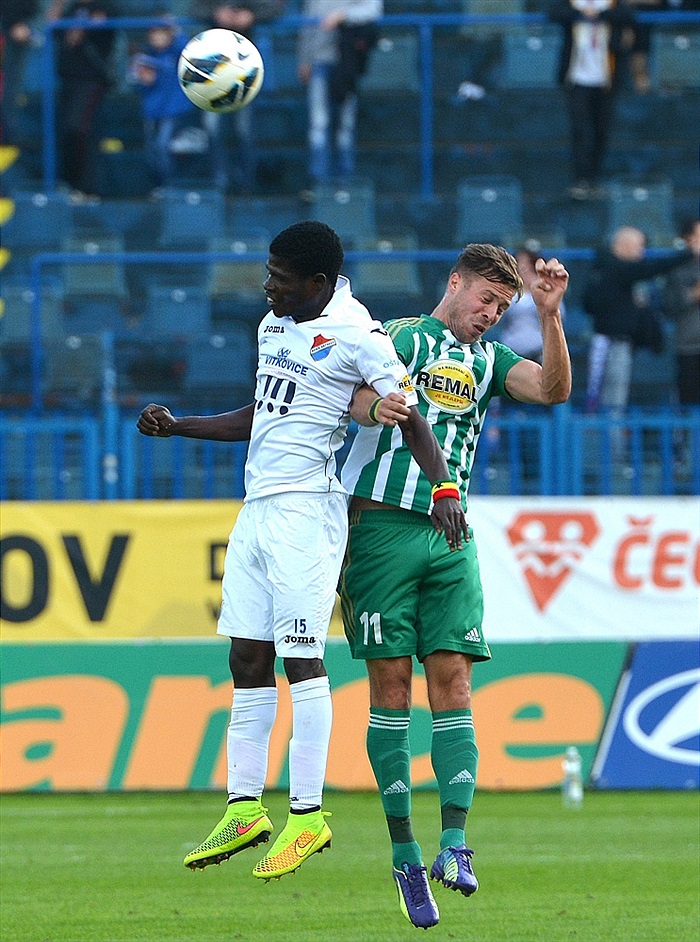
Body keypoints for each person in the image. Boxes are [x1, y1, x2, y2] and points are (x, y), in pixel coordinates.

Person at [136, 221, 466, 883]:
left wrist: (443, 487)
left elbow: (410, 414)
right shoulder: (273, 325)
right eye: (269, 274)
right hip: (258, 508)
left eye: (280, 278)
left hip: (307, 513)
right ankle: (243, 807)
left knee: (301, 658)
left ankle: (308, 815)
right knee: (246, 656)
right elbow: (263, 413)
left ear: (318, 282)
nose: (267, 286)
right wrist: (179, 427)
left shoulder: (359, 333)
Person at [338, 243, 572, 930]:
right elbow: (346, 394)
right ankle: (405, 856)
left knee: (456, 683)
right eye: (485, 299)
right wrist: (372, 408)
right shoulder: (402, 339)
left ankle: (455, 842)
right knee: (390, 688)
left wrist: (550, 317)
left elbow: (552, 390)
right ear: (455, 283)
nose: (491, 314)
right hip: (381, 528)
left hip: (451, 533)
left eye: (502, 306)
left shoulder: (489, 361)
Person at [584, 225, 693, 414]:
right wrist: (688, 254)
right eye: (639, 246)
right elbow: (651, 268)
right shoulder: (614, 268)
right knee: (610, 398)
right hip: (611, 342)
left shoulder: (608, 269)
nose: (642, 252)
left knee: (614, 395)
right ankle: (609, 433)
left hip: (621, 342)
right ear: (624, 245)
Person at [190, 1, 283, 193]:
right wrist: (216, 12)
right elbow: (194, 8)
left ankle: (246, 182)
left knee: (244, 129)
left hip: (243, 66)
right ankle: (219, 180)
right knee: (212, 127)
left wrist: (250, 15)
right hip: (212, 65)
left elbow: (274, 8)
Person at [549, 0, 635, 199]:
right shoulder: (573, 3)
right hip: (576, 78)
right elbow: (554, 13)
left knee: (601, 131)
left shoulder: (611, 4)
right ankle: (580, 180)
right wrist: (580, 12)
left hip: (606, 79)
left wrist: (600, 14)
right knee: (579, 130)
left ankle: (594, 179)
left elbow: (628, 15)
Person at [298, 0, 382, 187]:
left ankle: (345, 182)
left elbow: (373, 9)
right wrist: (304, 60)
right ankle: (318, 182)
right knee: (318, 124)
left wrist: (344, 15)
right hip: (320, 61)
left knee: (345, 126)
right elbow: (307, 26)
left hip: (347, 61)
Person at [53, 0, 116, 200]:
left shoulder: (105, 7)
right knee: (66, 131)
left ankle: (89, 189)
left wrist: (86, 26)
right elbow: (52, 27)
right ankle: (71, 185)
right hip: (67, 81)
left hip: (90, 82)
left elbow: (104, 27)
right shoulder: (71, 8)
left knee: (81, 130)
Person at [130, 16, 195, 191]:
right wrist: (144, 81)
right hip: (151, 111)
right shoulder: (144, 58)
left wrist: (176, 30)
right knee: (151, 151)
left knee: (163, 146)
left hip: (173, 111)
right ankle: (158, 186)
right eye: (153, 34)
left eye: (161, 34)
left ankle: (170, 186)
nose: (157, 38)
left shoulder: (177, 54)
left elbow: (188, 48)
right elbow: (137, 84)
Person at [663, 218, 700, 407]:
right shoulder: (677, 266)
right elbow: (668, 305)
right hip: (689, 344)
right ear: (688, 239)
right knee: (689, 400)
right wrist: (692, 295)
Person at [0, 1, 40, 145]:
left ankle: (8, 135)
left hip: (16, 25)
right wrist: (16, 21)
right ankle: (7, 135)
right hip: (11, 27)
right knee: (9, 84)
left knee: (11, 84)